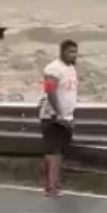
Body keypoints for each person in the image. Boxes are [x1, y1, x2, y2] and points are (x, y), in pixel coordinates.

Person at [40, 39, 78, 197]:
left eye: (75, 52)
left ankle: (55, 183)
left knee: (60, 153)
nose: (74, 55)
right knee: (53, 152)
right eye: (71, 52)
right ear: (62, 52)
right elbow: (50, 92)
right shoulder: (53, 69)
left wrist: (69, 116)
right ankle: (50, 187)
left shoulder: (71, 68)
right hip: (53, 116)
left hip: (66, 117)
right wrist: (59, 113)